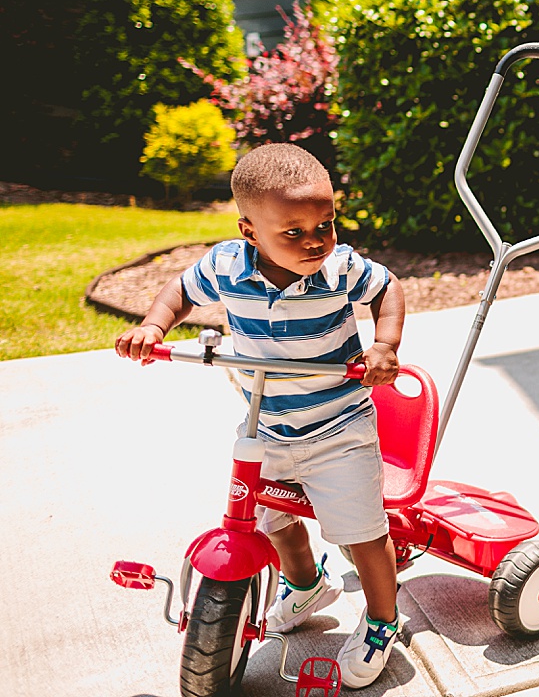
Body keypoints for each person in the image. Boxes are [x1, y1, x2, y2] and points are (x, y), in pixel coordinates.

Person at [114, 143, 407, 689]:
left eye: (326, 223)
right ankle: (306, 587)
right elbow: (180, 290)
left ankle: (382, 622)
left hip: (338, 426)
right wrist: (155, 325)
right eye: (292, 232)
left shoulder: (340, 268)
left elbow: (387, 287)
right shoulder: (225, 265)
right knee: (272, 522)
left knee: (361, 532)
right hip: (265, 425)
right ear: (249, 231)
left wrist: (384, 343)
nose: (315, 240)